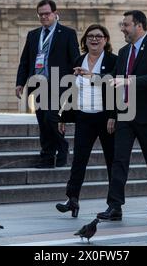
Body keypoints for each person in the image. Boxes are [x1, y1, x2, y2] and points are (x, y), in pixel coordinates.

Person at [96, 10, 147, 221]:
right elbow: (116, 77)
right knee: (119, 160)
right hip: (125, 114)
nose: (123, 29)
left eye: (126, 25)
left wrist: (131, 81)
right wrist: (94, 76)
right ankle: (115, 206)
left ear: (138, 26)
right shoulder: (124, 51)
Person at [55, 24, 117, 218]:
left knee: (112, 162)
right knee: (79, 160)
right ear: (85, 40)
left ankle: (115, 205)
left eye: (99, 36)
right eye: (90, 36)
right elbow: (73, 90)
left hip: (105, 117)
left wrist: (114, 115)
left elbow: (117, 87)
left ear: (105, 40)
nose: (94, 39)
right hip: (84, 116)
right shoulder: (79, 59)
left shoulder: (113, 60)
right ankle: (72, 199)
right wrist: (64, 116)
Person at [15, 0, 80, 168]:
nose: (44, 17)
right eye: (41, 14)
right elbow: (25, 61)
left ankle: (63, 148)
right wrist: (20, 83)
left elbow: (75, 60)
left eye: (47, 14)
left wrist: (75, 84)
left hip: (59, 84)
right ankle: (47, 156)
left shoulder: (67, 33)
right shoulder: (33, 35)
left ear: (55, 13)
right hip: (39, 85)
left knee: (52, 118)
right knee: (42, 121)